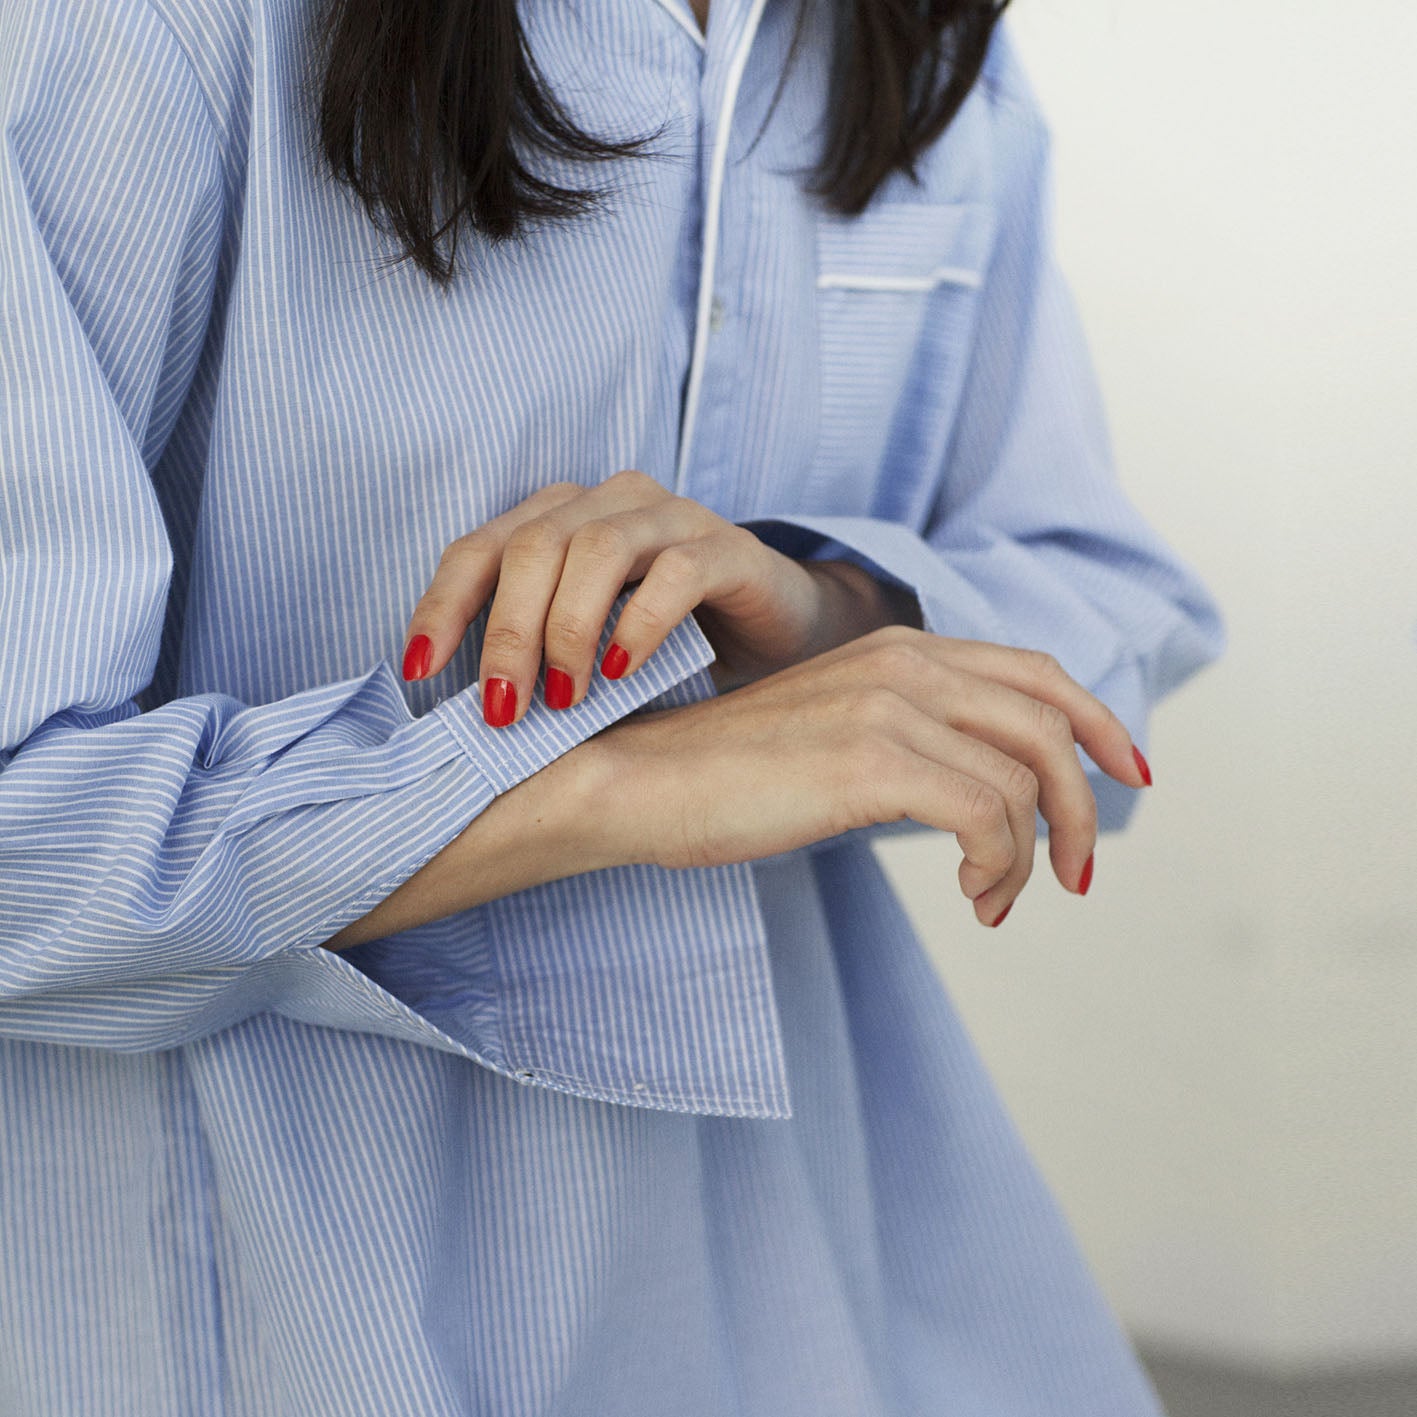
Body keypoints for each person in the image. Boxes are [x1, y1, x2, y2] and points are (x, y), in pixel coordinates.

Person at [0, 0, 1222, 1412]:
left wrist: (828, 617)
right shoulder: (134, 31)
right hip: (248, 1297)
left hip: (805, 1280)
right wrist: (599, 778)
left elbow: (1108, 606)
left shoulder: (931, 48)